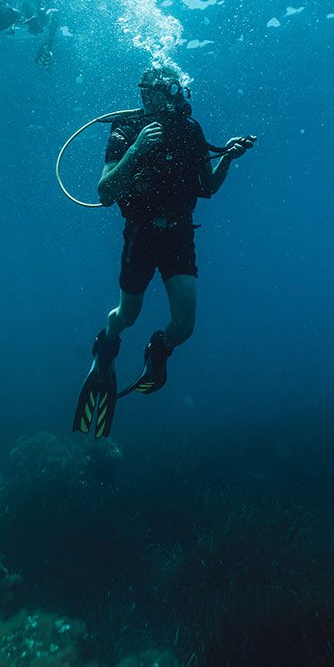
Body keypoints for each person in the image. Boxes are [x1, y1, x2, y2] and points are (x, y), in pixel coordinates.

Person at [72, 64, 256, 438]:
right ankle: (106, 345)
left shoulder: (191, 130)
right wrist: (137, 149)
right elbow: (105, 194)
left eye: (176, 89)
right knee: (129, 314)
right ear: (147, 93)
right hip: (140, 234)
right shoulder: (126, 130)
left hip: (179, 233)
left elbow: (207, 189)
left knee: (184, 325)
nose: (175, 96)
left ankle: (159, 350)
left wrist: (227, 160)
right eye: (166, 89)